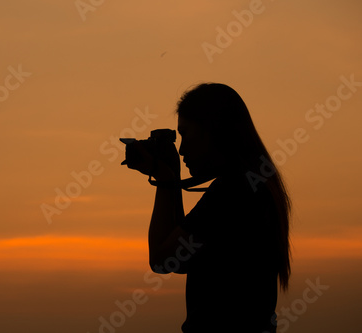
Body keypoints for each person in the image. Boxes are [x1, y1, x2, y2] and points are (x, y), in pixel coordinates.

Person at [125, 83, 291, 332]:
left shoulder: (232, 192)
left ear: (214, 131)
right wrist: (169, 178)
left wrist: (164, 179)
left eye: (186, 134)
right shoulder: (254, 184)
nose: (181, 149)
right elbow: (182, 259)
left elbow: (163, 260)